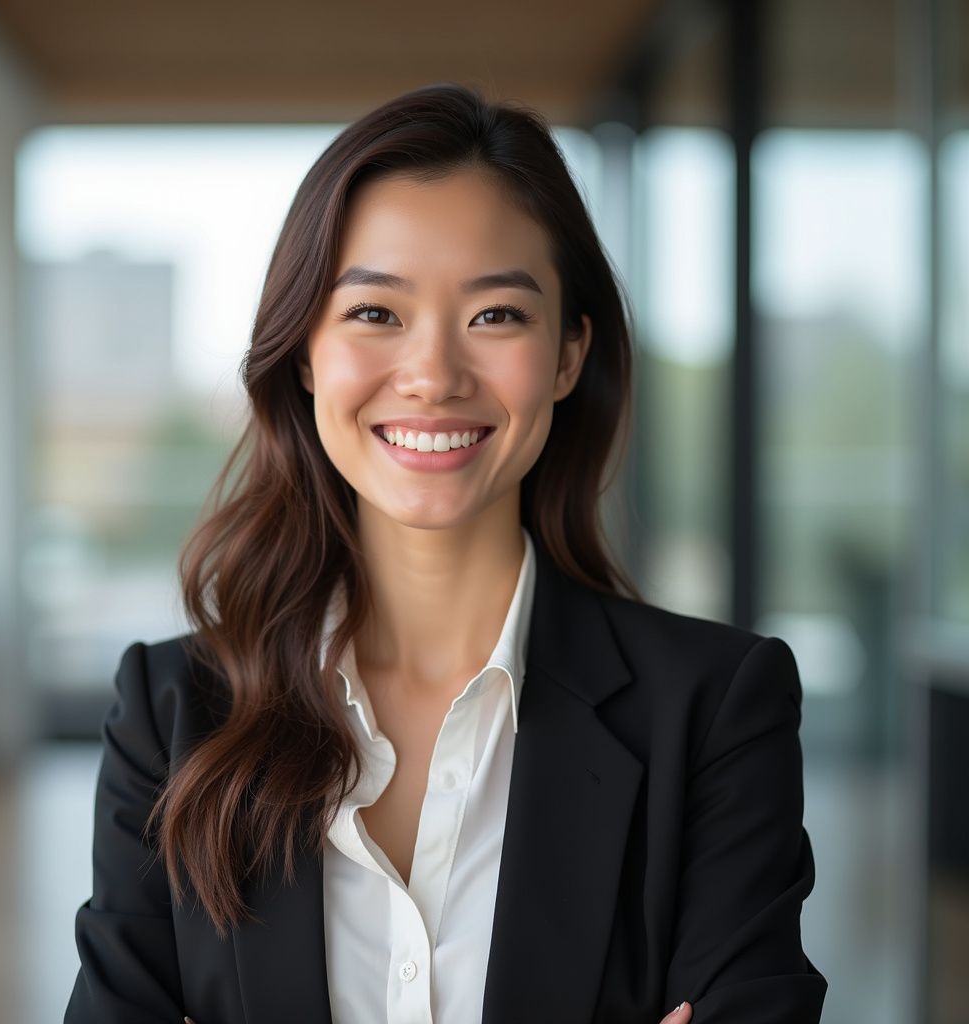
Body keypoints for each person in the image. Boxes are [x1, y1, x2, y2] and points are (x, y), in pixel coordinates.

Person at [64, 82, 828, 1024]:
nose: (432, 376)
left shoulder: (715, 711)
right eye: (375, 314)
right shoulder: (172, 714)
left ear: (568, 354)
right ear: (306, 354)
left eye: (496, 315)